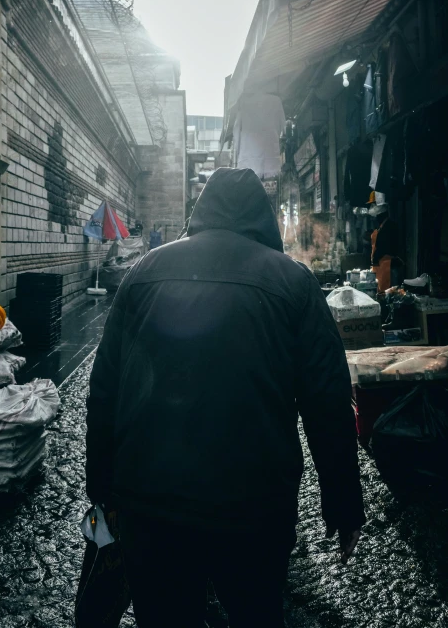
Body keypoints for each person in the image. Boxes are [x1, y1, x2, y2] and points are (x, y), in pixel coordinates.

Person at [86, 167, 365, 628]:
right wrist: (343, 503)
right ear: (264, 217)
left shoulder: (143, 272)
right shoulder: (295, 282)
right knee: (255, 612)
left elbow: (105, 390)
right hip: (255, 508)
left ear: (202, 211)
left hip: (152, 507)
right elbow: (328, 403)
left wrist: (102, 491)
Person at [370, 204, 399, 294]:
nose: (375, 219)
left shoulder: (388, 227)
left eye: (377, 216)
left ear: (381, 215)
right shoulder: (383, 226)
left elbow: (384, 246)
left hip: (388, 264)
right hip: (382, 264)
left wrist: (375, 257)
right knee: (383, 290)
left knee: (388, 291)